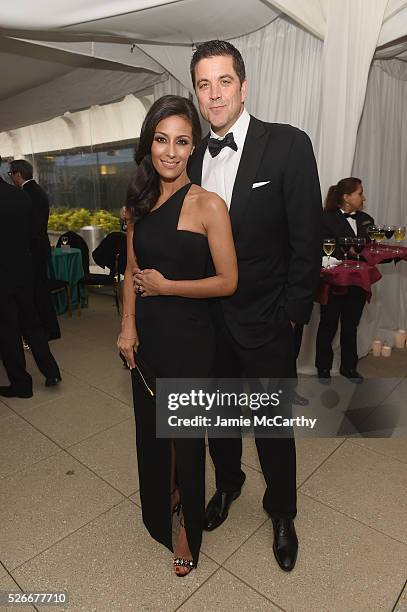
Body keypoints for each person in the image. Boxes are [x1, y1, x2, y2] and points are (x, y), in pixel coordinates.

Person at [186, 40, 322, 572]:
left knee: (272, 425)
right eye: (203, 84)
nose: (214, 93)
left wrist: (292, 317)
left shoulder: (288, 145)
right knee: (217, 418)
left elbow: (305, 241)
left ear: (244, 86)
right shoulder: (192, 154)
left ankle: (282, 510)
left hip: (268, 321)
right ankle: (228, 484)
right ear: (196, 93)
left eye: (224, 81)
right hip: (208, 323)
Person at [118, 95, 237, 576]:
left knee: (186, 436)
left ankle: (190, 524)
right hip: (147, 338)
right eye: (162, 139)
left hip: (191, 337)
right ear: (150, 144)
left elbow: (228, 281)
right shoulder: (139, 204)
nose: (170, 151)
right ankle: (165, 496)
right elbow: (129, 270)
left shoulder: (208, 204)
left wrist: (169, 286)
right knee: (154, 432)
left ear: (194, 147)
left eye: (182, 141)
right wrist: (127, 325)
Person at [0, 157, 61, 398]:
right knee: (32, 323)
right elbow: (35, 233)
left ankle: (21, 384)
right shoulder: (19, 195)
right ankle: (51, 371)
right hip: (24, 270)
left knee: (8, 330)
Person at [315, 177, 374, 383]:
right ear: (346, 197)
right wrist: (345, 249)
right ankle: (322, 368)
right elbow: (322, 247)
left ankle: (349, 367)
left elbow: (370, 248)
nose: (363, 197)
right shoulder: (326, 218)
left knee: (351, 325)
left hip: (357, 281)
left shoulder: (367, 219)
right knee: (328, 324)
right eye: (359, 193)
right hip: (334, 283)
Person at [8, 159, 60, 341]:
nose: (11, 178)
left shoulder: (27, 194)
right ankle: (49, 328)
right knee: (39, 291)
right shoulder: (36, 190)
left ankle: (48, 330)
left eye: (10, 174)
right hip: (40, 247)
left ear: (18, 174)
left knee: (38, 292)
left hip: (34, 249)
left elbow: (32, 227)